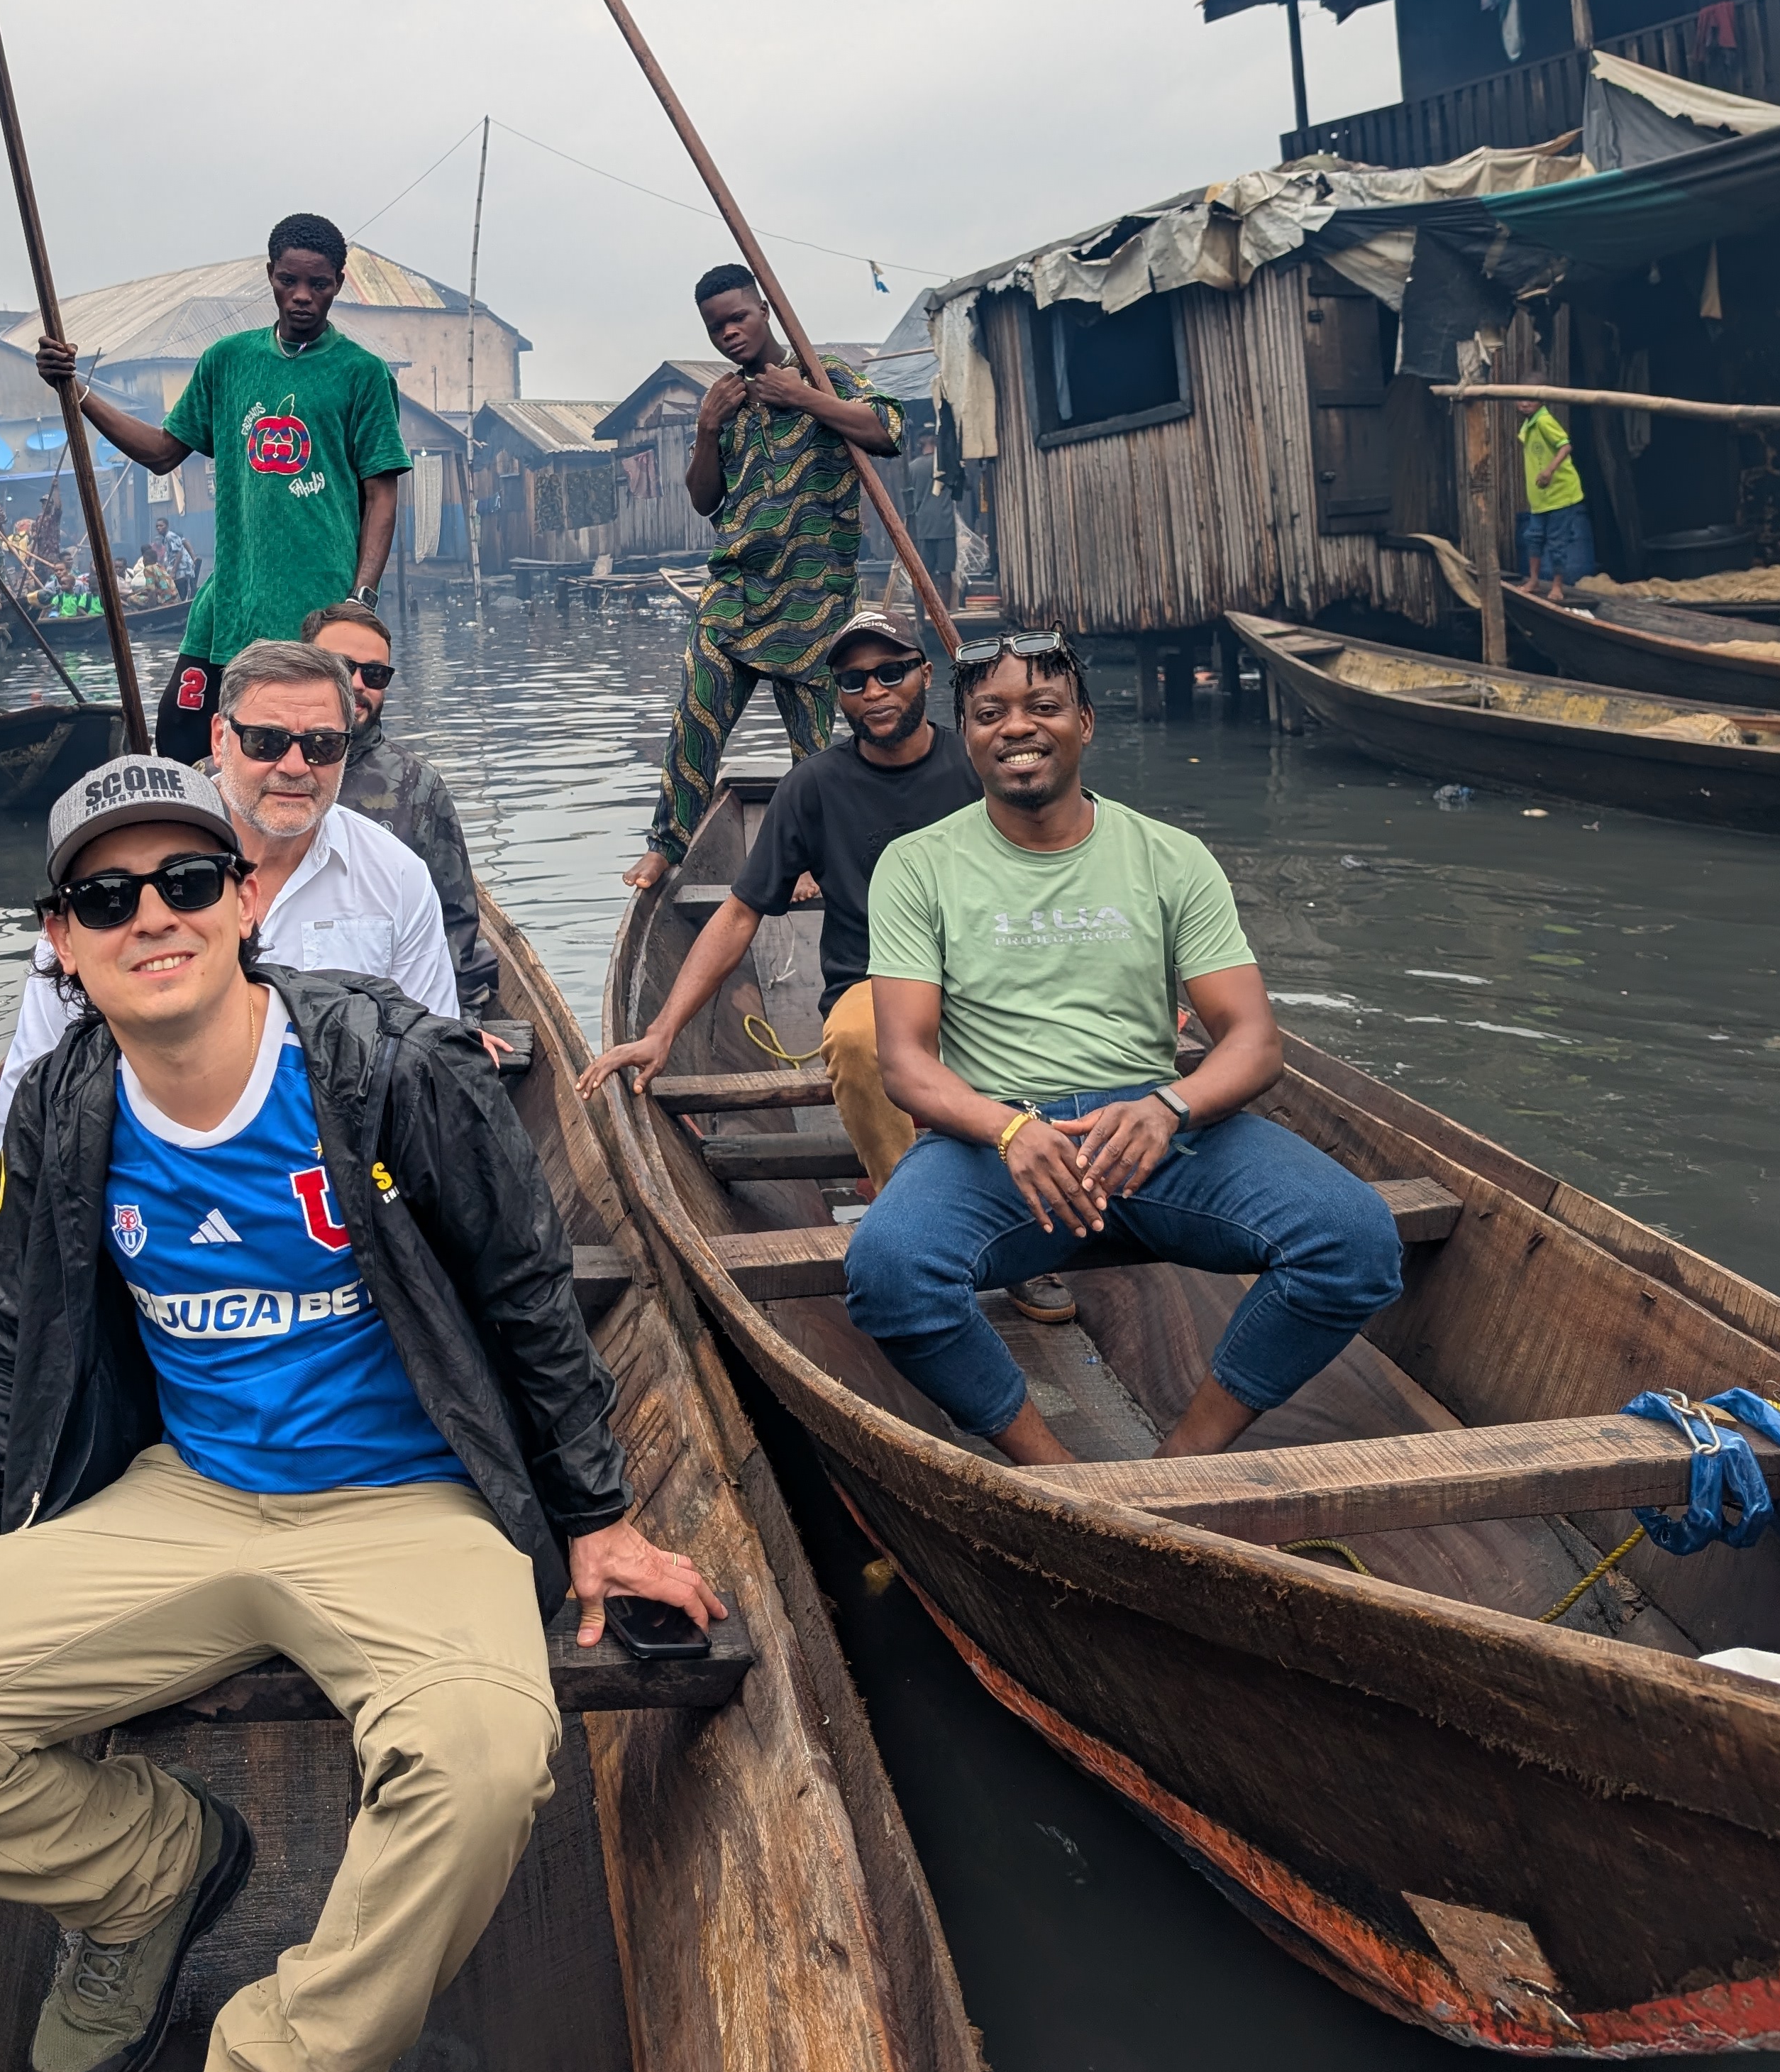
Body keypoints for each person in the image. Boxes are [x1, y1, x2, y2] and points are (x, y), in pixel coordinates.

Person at [0, 756, 720, 2072]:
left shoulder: (391, 1066)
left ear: (246, 903)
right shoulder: (59, 1106)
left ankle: (271, 2066)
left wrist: (600, 1519)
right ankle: (153, 1869)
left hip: (410, 1501)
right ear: (62, 941)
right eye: (106, 898)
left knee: (484, 1766)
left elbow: (528, 1299)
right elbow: (15, 1354)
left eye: (187, 881)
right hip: (186, 1496)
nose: (150, 915)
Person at [843, 626, 1404, 1466]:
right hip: (998, 1144)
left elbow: (1253, 1042)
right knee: (887, 1272)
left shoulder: (1168, 856)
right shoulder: (918, 865)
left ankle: (1184, 1462)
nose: (1017, 727)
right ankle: (1058, 1474)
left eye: (1043, 706)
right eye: (989, 713)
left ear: (1086, 722)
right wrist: (1006, 1129)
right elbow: (906, 1064)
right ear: (967, 737)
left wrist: (1169, 1107)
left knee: (1357, 1242)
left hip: (1151, 1133)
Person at [580, 605, 1090, 1311]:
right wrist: (663, 1031)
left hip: (991, 976)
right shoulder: (812, 786)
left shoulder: (977, 762)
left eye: (889, 673)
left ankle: (1024, 1233)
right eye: (852, 681)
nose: (873, 692)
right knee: (855, 1039)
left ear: (924, 675)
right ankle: (923, 1218)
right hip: (874, 985)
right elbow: (739, 913)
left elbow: (1068, 864)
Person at [0, 639, 459, 1196]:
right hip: (149, 1185)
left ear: (245, 899)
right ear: (219, 738)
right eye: (265, 741)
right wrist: (9, 1230)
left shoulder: (395, 874)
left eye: (323, 745)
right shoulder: (100, 903)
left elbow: (434, 1065)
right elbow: (31, 1089)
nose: (293, 766)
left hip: (348, 1180)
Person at [37, 213, 412, 764]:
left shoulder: (362, 374)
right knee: (185, 739)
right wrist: (75, 392)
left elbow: (382, 494)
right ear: (270, 276)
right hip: (231, 600)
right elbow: (162, 453)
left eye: (319, 284)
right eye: (290, 281)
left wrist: (360, 600)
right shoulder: (227, 362)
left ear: (339, 283)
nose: (303, 296)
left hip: (318, 608)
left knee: (301, 749)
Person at [623, 265, 900, 895]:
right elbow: (702, 500)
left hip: (814, 599)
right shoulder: (724, 398)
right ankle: (667, 845)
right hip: (737, 592)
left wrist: (802, 396)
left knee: (817, 748)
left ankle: (810, 857)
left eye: (738, 318)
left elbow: (886, 430)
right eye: (715, 326)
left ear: (766, 309)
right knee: (694, 714)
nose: (728, 334)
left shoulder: (824, 374)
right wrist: (706, 427)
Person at [302, 600, 500, 1027]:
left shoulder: (417, 786)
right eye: (340, 666)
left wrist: (459, 1028)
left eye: (374, 675)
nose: (356, 684)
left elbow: (456, 922)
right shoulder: (235, 774)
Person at [1515, 402, 1597, 600]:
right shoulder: (1530, 424)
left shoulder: (1544, 420)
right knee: (1533, 537)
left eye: (1530, 399)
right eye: (1521, 399)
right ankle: (1534, 581)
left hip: (1561, 494)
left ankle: (1557, 586)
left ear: (1541, 401)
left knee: (1556, 542)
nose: (1525, 403)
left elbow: (1565, 446)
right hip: (1541, 498)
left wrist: (1550, 470)